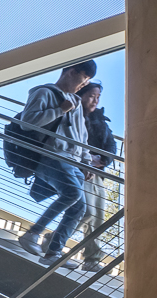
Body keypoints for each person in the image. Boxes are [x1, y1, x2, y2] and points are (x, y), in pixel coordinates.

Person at [15, 61, 98, 268]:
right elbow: (27, 123)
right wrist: (60, 110)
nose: (84, 84)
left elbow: (82, 137)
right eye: (84, 78)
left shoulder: (76, 102)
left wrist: (86, 162)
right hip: (50, 155)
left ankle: (53, 252)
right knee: (72, 195)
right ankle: (33, 233)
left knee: (79, 207)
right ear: (71, 72)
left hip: (73, 161)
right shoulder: (44, 92)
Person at [74, 81, 118, 274]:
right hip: (78, 170)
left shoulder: (101, 120)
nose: (95, 100)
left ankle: (92, 259)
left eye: (97, 97)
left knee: (98, 217)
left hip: (98, 173)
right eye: (91, 95)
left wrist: (102, 159)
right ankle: (53, 241)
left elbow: (111, 146)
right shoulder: (73, 114)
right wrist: (86, 159)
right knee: (87, 212)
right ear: (81, 95)